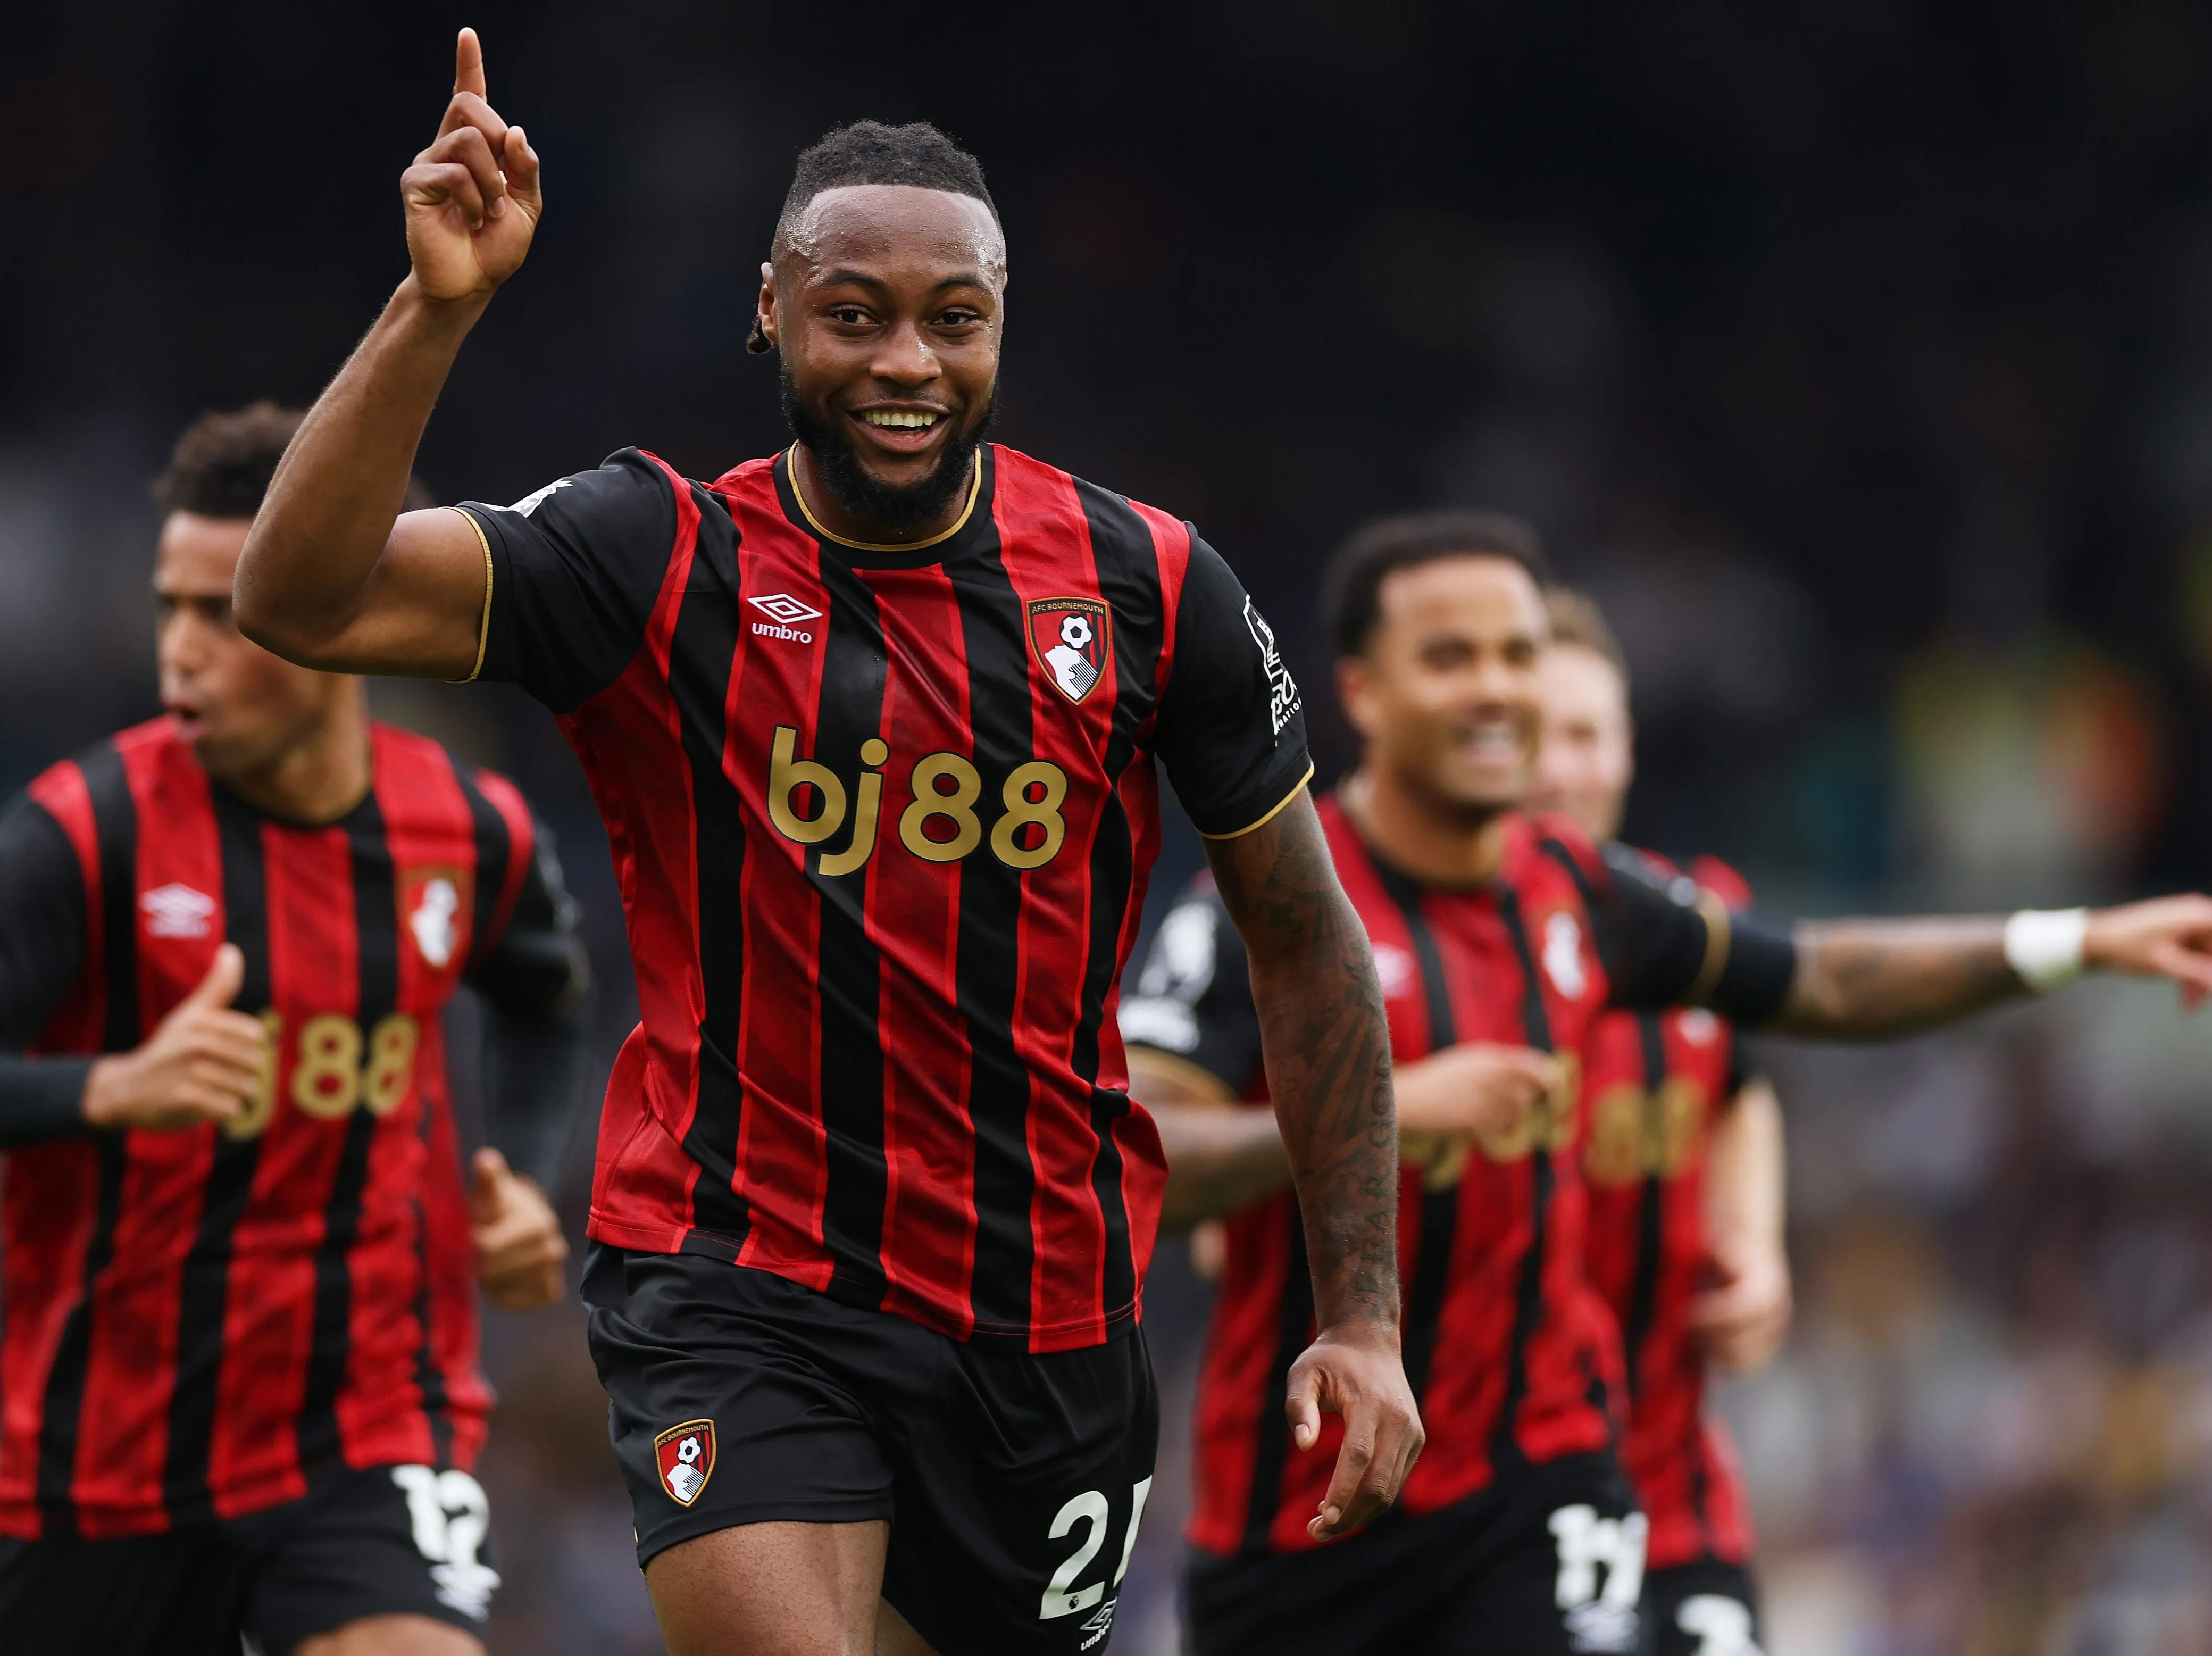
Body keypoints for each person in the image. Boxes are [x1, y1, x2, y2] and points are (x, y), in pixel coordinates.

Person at [230, 32, 1423, 1656]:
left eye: (953, 320)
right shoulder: (652, 553)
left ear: (1002, 326)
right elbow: (297, 598)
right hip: (735, 1278)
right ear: (770, 312)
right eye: (851, 314)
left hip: (1046, 1315)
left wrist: (1359, 1317)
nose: (904, 364)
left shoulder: (1147, 586)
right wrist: (435, 305)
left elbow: (1304, 940)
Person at [1120, 511, 2212, 1655]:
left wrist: (2072, 939)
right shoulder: (1259, 910)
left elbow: (1819, 977)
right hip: (1296, 1520)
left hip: (1539, 1489)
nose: (1494, 689)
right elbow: (1137, 1153)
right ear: (1364, 691)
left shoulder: (1577, 891)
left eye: (1517, 655)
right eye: (1449, 657)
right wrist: (1377, 1116)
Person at [0, 403, 590, 1656]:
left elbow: (544, 994)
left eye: (221, 611)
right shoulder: (83, 830)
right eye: (167, 607)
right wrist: (111, 1087)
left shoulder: (469, 827)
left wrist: (509, 1168)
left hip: (370, 1433)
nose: (179, 652)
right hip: (109, 1466)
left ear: (322, 611)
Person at [1532, 587, 1788, 1656]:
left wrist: (1758, 1246)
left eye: (1585, 733)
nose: (1560, 766)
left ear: (1627, 748)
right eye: (1535, 734)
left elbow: (1740, 1084)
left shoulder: (1696, 920)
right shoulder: (1422, 954)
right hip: (1486, 1508)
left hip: (1676, 1491)